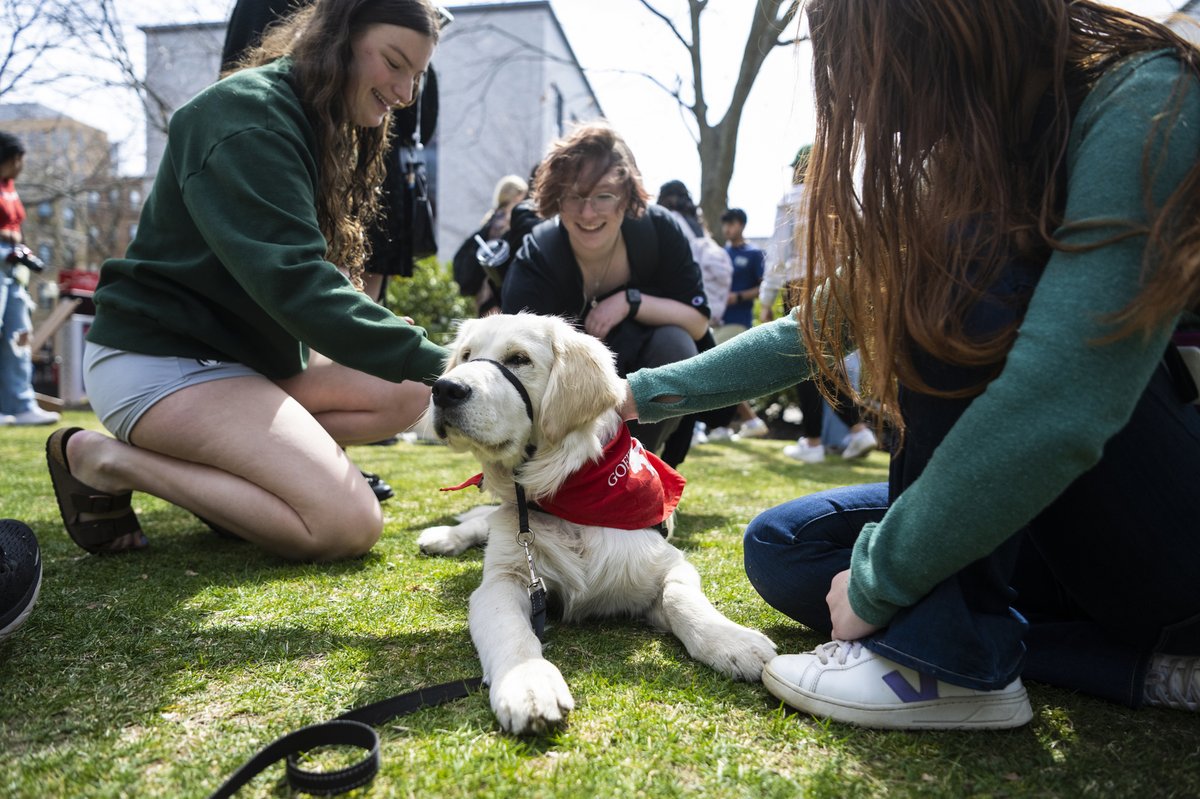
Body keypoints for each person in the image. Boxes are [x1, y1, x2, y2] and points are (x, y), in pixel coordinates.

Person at [621, 0, 1200, 726]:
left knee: (955, 269)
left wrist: (878, 579)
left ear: (940, 35)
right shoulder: (970, 164)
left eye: (880, 80)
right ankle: (1138, 670)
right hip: (1061, 532)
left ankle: (944, 663)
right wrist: (629, 394)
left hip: (1167, 531)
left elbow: (1063, 401)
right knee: (787, 547)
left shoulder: (1147, 99)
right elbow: (813, 331)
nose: (884, 122)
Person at [44, 0, 450, 560]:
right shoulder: (246, 116)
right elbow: (297, 284)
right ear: (339, 36)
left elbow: (311, 279)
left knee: (413, 391)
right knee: (347, 524)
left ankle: (249, 486)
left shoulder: (319, 120)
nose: (405, 93)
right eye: (395, 63)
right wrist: (454, 367)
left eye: (416, 76)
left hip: (250, 358)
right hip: (162, 363)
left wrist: (393, 344)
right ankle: (105, 461)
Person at [501, 122, 711, 459]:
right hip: (562, 395)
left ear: (626, 197)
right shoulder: (538, 256)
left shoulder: (660, 230)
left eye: (603, 196)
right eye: (574, 196)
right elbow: (511, 361)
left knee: (676, 343)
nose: (587, 213)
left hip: (643, 369)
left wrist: (631, 301)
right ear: (557, 197)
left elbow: (698, 323)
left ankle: (637, 466)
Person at [0, 132, 60, 427]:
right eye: (18, 158)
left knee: (19, 333)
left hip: (13, 263)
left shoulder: (8, 187)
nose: (21, 165)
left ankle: (20, 404)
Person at [451, 173, 528, 315]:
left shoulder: (492, 218)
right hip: (494, 298)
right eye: (524, 197)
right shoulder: (506, 221)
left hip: (483, 298)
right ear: (516, 196)